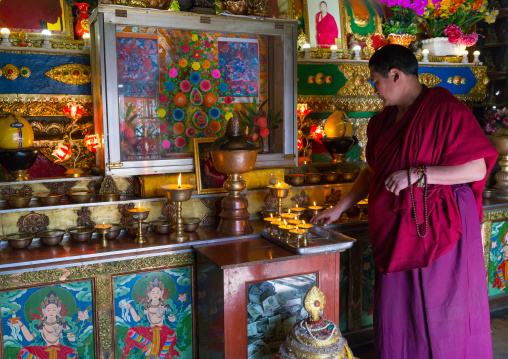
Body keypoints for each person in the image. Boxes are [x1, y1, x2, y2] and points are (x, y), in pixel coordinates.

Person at [311, 44, 498, 359]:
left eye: (376, 82)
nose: (375, 90)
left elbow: (476, 168)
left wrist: (419, 174)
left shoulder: (445, 109)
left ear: (395, 75)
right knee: (399, 308)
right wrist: (340, 207)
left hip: (439, 227)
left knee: (442, 305)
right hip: (397, 230)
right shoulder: (383, 122)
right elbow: (373, 171)